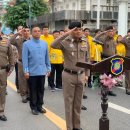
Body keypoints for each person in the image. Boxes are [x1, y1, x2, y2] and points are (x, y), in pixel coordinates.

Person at [51, 21, 89, 130]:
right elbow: (53, 44)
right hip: (68, 75)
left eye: (80, 29)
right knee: (69, 103)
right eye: (76, 29)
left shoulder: (85, 42)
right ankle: (69, 127)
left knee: (78, 103)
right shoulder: (65, 42)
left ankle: (77, 126)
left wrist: (87, 74)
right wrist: (66, 33)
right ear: (71, 30)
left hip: (81, 75)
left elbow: (87, 59)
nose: (78, 31)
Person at [22, 26, 51, 115]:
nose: (37, 32)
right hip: (32, 72)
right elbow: (25, 59)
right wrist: (26, 71)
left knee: (41, 89)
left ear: (41, 32)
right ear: (32, 33)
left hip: (42, 71)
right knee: (33, 90)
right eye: (35, 31)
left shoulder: (44, 43)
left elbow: (47, 57)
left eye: (39, 31)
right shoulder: (26, 44)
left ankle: (40, 106)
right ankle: (33, 107)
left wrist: (49, 68)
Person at [10, 25, 30, 102]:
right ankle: (23, 95)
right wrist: (18, 33)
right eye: (24, 31)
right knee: (22, 79)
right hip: (22, 63)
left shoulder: (32, 40)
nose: (26, 32)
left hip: (31, 63)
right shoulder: (19, 41)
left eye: (28, 31)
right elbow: (10, 41)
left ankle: (30, 94)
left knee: (31, 79)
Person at [95, 26, 117, 96]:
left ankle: (110, 90)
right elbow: (96, 38)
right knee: (104, 75)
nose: (112, 32)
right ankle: (103, 90)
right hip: (105, 59)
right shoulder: (104, 39)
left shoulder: (113, 39)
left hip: (113, 59)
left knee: (111, 75)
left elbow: (115, 50)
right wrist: (103, 33)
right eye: (110, 31)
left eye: (112, 31)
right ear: (107, 32)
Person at [0, 35, 14, 121]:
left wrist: (11, 67)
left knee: (2, 91)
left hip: (2, 70)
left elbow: (11, 55)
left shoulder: (6, 41)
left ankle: (1, 112)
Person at [121, 29, 130, 95]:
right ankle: (128, 88)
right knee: (128, 74)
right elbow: (121, 40)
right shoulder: (126, 41)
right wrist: (127, 35)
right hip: (127, 58)